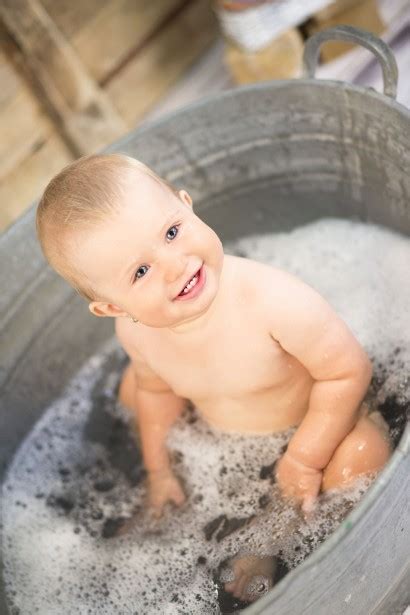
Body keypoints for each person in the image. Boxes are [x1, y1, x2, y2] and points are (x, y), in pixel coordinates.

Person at [36, 153, 391, 601]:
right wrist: (158, 468)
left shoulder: (274, 300)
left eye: (171, 232)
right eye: (140, 272)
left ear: (188, 206)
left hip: (323, 422)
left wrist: (304, 458)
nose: (174, 264)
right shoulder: (135, 333)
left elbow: (347, 372)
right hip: (222, 435)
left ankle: (275, 535)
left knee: (362, 454)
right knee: (133, 386)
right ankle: (166, 505)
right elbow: (155, 389)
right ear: (114, 308)